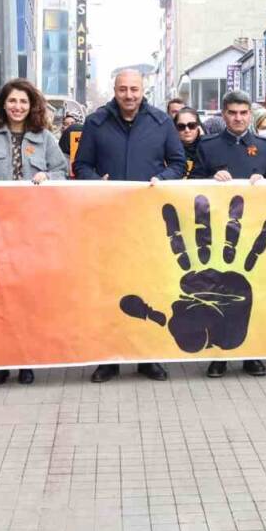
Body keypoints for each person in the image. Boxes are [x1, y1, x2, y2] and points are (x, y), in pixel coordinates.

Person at [74, 69, 185, 383]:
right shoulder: (96, 123)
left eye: (134, 89)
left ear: (143, 89)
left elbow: (178, 164)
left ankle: (147, 357)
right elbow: (80, 165)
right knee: (109, 288)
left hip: (147, 221)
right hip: (107, 221)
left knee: (148, 287)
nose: (129, 95)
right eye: (123, 89)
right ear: (115, 90)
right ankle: (108, 358)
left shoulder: (161, 123)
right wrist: (97, 182)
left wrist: (160, 179)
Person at [0, 79, 69, 387]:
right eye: (12, 101)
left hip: (31, 229)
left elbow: (62, 172)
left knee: (27, 296)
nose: (17, 107)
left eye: (23, 102)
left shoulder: (46, 138)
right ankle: (0, 361)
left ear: (32, 105)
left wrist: (46, 176)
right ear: (3, 104)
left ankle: (26, 359)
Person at [190, 90, 266, 378]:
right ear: (224, 115)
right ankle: (219, 356)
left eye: (243, 113)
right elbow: (191, 184)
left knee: (258, 293)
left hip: (254, 234)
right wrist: (210, 178)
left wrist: (264, 181)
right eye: (233, 113)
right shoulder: (208, 146)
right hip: (220, 236)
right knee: (220, 295)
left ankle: (253, 355)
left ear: (250, 114)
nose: (239, 118)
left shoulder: (264, 147)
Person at [173, 107, 203, 178]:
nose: (187, 130)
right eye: (181, 126)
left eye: (191, 125)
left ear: (198, 126)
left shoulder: (209, 148)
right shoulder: (168, 151)